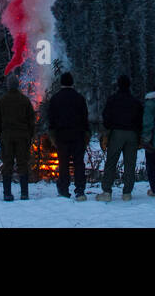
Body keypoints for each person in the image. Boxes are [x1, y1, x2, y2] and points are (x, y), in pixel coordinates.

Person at [98, 75, 143, 201]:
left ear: (118, 85)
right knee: (130, 164)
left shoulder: (113, 100)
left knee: (111, 162)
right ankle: (127, 192)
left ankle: (107, 191)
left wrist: (107, 130)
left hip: (117, 133)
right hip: (132, 135)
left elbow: (106, 117)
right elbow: (141, 119)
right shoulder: (135, 102)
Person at [46, 72, 90, 200]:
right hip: (77, 135)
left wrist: (52, 135)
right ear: (72, 83)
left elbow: (51, 119)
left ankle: (64, 189)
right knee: (78, 163)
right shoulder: (79, 98)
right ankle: (80, 190)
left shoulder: (55, 98)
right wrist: (86, 133)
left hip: (62, 135)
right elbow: (84, 117)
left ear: (61, 83)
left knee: (63, 163)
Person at [0, 73, 35, 201]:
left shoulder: (1, 100)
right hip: (22, 136)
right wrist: (29, 136)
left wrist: (0, 136)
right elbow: (31, 121)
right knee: (22, 164)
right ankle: (24, 193)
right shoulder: (25, 100)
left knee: (7, 164)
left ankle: (7, 193)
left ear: (8, 86)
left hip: (7, 136)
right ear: (18, 86)